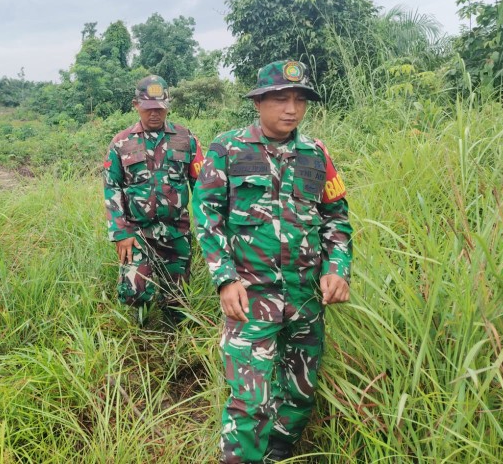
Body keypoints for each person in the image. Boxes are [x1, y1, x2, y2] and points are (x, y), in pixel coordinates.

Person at [193, 60, 353, 463]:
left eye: (299, 99)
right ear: (259, 102)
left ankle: (278, 452)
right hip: (251, 296)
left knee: (299, 392)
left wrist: (337, 269)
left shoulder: (316, 154)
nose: (291, 109)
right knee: (250, 402)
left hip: (306, 298)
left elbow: (337, 218)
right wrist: (224, 278)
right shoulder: (227, 148)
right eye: (281, 98)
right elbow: (206, 214)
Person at [103, 75, 204, 328]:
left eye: (160, 107)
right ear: (136, 105)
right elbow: (111, 186)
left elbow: (201, 186)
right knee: (134, 294)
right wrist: (121, 231)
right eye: (148, 108)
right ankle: (140, 333)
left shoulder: (186, 139)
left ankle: (173, 340)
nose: (155, 114)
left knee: (177, 300)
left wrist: (210, 227)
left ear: (168, 105)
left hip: (176, 231)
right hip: (137, 233)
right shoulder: (121, 143)